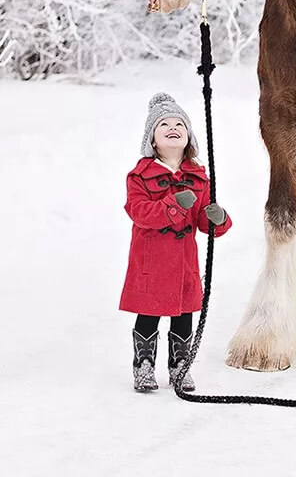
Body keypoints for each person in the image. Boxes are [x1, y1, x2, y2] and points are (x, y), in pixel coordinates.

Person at [119, 92, 232, 393]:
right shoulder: (140, 176)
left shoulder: (199, 177)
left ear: (188, 136)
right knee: (150, 314)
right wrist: (173, 205)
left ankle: (180, 366)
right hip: (151, 262)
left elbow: (205, 222)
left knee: (184, 316)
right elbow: (139, 212)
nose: (173, 128)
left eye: (179, 124)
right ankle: (143, 366)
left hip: (184, 263)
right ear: (152, 139)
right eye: (164, 124)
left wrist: (218, 219)